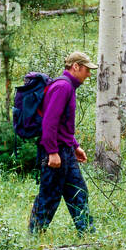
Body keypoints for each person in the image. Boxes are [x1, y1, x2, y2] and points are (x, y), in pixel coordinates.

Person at [28, 51, 93, 235]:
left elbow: (63, 124)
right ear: (76, 67)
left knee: (79, 192)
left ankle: (87, 235)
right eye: (86, 69)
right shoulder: (62, 87)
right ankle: (33, 237)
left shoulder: (68, 87)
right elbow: (49, 121)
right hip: (56, 153)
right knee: (49, 197)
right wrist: (52, 152)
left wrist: (75, 146)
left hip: (66, 151)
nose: (88, 74)